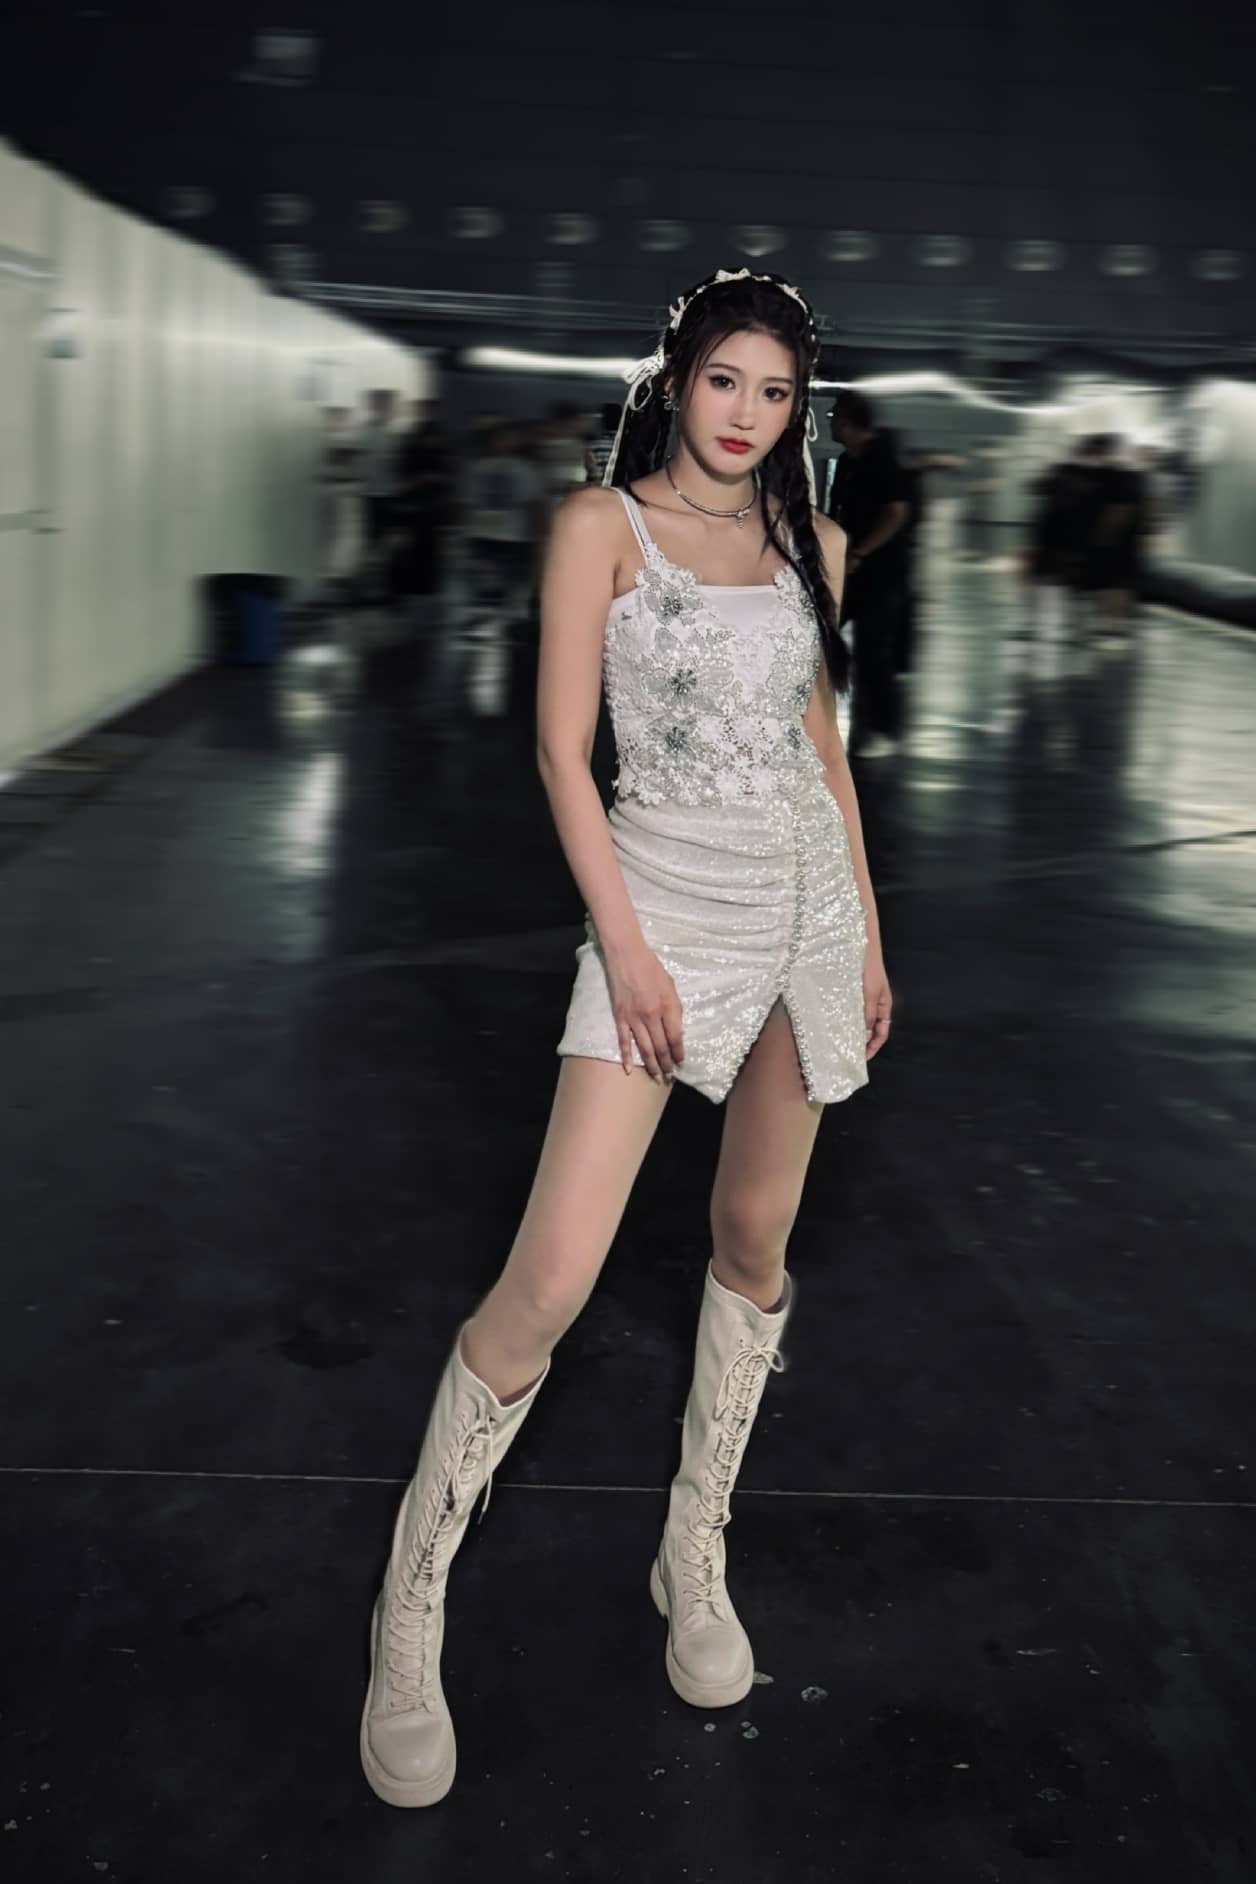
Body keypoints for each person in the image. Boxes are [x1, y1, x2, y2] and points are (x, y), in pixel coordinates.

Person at [359, 268, 893, 1810]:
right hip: (661, 906)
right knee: (549, 1279)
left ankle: (691, 1548)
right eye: (726, 381)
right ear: (674, 382)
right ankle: (407, 1610)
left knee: (753, 1236)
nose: (748, 415)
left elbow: (822, 750)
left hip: (805, 912)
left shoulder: (813, 544)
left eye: (776, 393)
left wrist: (868, 929)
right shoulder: (600, 527)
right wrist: (630, 948)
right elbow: (558, 752)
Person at [825, 390, 912, 757]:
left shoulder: (883, 460)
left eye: (834, 416)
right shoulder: (848, 461)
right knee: (822, 639)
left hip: (881, 575)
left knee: (874, 653)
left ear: (848, 422)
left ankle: (883, 730)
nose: (830, 421)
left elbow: (896, 514)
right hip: (849, 571)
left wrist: (861, 552)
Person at [358, 389, 403, 607]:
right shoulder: (366, 433)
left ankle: (386, 589)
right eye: (384, 405)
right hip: (372, 495)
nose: (388, 410)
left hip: (389, 494)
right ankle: (372, 589)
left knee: (388, 544)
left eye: (389, 405)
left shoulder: (393, 434)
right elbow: (360, 463)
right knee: (373, 544)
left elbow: (398, 465)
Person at [585, 400, 623, 485]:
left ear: (603, 421)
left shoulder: (593, 445)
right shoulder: (629, 444)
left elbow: (591, 473)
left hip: (600, 487)